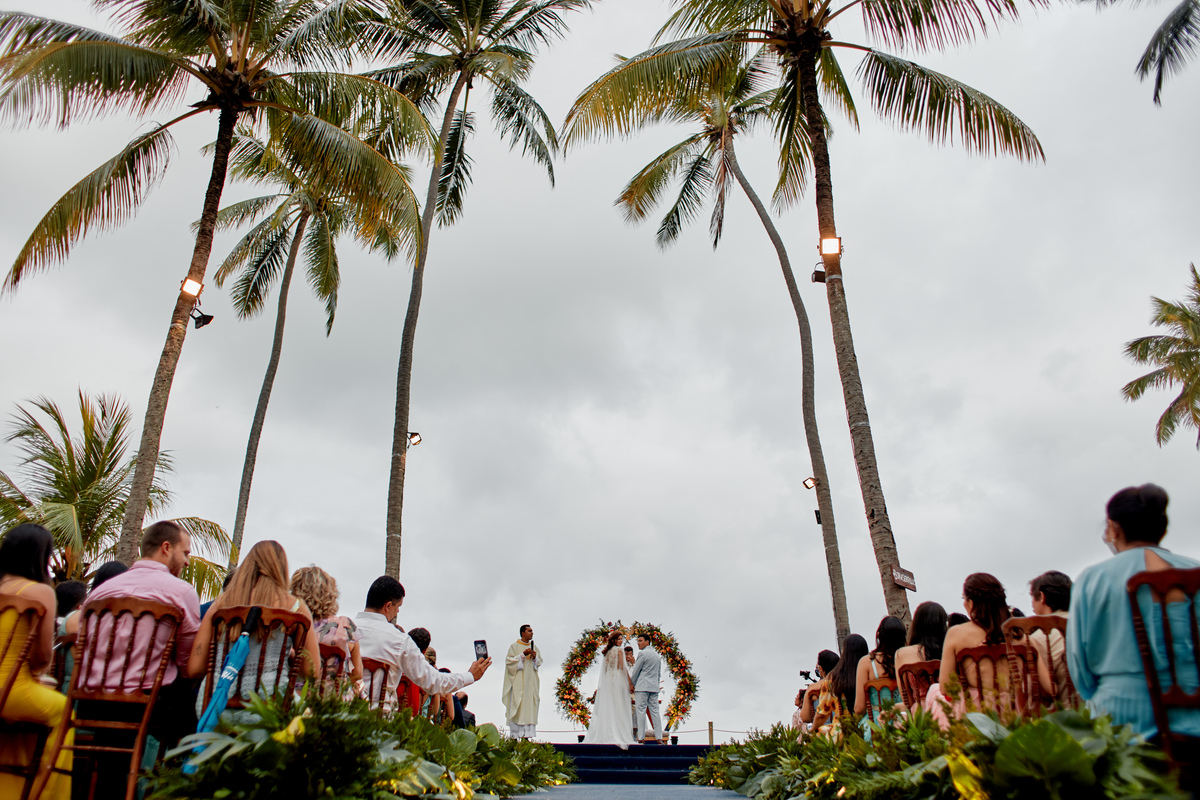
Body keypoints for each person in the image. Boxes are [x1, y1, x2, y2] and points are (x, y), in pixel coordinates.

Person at [1068, 484, 1200, 740]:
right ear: (1162, 527)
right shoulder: (1196, 571)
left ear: (1113, 528)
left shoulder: (1093, 579)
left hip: (1120, 719)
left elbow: (1080, 667)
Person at [85, 520, 201, 748]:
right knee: (195, 719)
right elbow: (187, 663)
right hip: (148, 701)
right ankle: (175, 776)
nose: (187, 562)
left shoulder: (100, 592)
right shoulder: (181, 592)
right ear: (166, 548)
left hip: (92, 699)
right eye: (185, 553)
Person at [188, 540, 321, 714]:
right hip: (268, 712)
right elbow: (312, 672)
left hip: (215, 708)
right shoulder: (296, 608)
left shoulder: (219, 605)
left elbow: (195, 669)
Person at [0, 524, 73, 799]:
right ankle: (42, 793)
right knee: (64, 711)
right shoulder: (39, 593)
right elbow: (42, 656)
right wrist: (35, 674)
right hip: (11, 692)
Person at [926, 573, 1049, 724]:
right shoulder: (1025, 639)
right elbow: (1048, 687)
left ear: (971, 603)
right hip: (1019, 718)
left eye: (964, 599)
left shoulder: (956, 634)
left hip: (979, 721)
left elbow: (946, 688)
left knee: (935, 690)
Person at [355, 577, 489, 713]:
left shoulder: (342, 632)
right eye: (398, 606)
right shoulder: (399, 641)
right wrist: (470, 675)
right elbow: (433, 681)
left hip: (340, 721)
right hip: (380, 726)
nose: (398, 612)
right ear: (388, 606)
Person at [290, 566, 363, 693]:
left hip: (296, 699)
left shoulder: (291, 625)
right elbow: (357, 673)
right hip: (334, 703)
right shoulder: (345, 626)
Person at [583, 630, 635, 748]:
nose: (621, 641)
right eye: (619, 639)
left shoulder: (607, 652)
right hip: (618, 678)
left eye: (622, 639)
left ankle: (607, 731)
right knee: (619, 704)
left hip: (609, 679)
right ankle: (619, 732)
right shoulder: (619, 650)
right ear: (614, 640)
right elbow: (622, 667)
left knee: (609, 704)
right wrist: (629, 681)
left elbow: (605, 669)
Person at [1028, 570, 1072, 704]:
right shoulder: (1087, 623)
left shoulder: (1039, 638)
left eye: (1032, 597)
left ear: (1041, 597)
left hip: (1068, 715)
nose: (1032, 604)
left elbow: (1039, 689)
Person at [813, 634, 868, 736]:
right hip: (869, 725)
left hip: (842, 731)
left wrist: (813, 730)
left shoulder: (832, 680)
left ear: (844, 652)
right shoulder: (869, 675)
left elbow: (822, 715)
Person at [854, 617, 906, 715]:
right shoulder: (907, 659)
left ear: (878, 635)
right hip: (909, 722)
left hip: (878, 725)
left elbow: (859, 708)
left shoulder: (867, 662)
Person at [503, 624, 543, 739]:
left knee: (529, 708)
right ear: (523, 633)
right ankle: (515, 737)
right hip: (518, 684)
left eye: (532, 631)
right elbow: (509, 662)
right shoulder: (514, 646)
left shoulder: (534, 647)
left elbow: (539, 663)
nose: (532, 633)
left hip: (530, 685)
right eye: (529, 631)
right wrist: (522, 655)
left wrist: (535, 657)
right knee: (517, 707)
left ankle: (526, 737)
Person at [630, 633, 664, 743]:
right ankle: (659, 737)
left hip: (642, 686)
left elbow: (636, 670)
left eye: (640, 641)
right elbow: (658, 673)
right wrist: (656, 684)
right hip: (653, 687)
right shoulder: (657, 655)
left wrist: (632, 684)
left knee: (640, 710)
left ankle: (641, 737)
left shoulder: (642, 654)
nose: (638, 643)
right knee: (655, 711)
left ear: (647, 641)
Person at [799, 649, 839, 725]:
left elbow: (805, 717)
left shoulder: (813, 688)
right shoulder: (845, 684)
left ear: (820, 669)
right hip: (846, 730)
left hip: (822, 732)